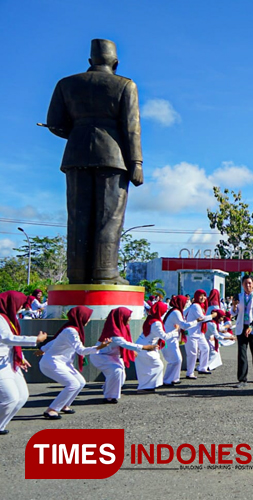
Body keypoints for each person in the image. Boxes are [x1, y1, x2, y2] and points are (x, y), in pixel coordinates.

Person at [46, 39, 143, 285]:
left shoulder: (66, 84)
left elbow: (55, 123)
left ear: (90, 61)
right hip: (113, 157)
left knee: (78, 218)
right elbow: (131, 128)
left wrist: (80, 132)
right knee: (109, 217)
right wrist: (137, 162)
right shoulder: (125, 85)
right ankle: (105, 272)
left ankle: (77, 274)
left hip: (76, 155)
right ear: (116, 63)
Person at [38, 306, 111, 418]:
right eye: (88, 317)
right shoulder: (71, 331)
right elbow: (81, 351)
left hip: (62, 363)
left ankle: (64, 405)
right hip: (52, 363)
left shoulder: (71, 329)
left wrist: (43, 349)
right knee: (73, 384)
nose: (89, 320)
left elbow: (55, 340)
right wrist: (99, 347)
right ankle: (51, 409)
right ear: (82, 317)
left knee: (81, 382)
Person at [0, 291, 46, 434]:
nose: (22, 306)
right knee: (11, 398)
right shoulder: (0, 318)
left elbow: (11, 343)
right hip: (2, 364)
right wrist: (35, 340)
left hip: (10, 361)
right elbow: (6, 338)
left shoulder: (8, 318)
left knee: (22, 396)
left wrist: (21, 357)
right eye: (20, 303)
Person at [89, 307, 157, 403]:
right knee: (116, 372)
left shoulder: (122, 328)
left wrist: (132, 351)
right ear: (121, 317)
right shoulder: (113, 332)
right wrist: (144, 347)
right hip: (101, 357)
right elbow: (124, 343)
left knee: (121, 376)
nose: (130, 318)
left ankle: (108, 390)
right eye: (128, 316)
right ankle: (109, 397)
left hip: (113, 356)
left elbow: (127, 341)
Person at [134, 301, 179, 393]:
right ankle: (146, 386)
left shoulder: (151, 319)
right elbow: (164, 336)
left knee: (146, 368)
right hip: (147, 347)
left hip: (143, 345)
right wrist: (175, 330)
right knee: (158, 365)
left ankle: (146, 386)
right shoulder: (157, 323)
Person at [162, 295, 197, 386]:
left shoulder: (174, 311)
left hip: (171, 340)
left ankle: (174, 378)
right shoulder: (176, 312)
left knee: (176, 360)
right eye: (184, 302)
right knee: (176, 360)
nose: (185, 304)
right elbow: (184, 325)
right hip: (169, 340)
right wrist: (196, 321)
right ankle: (167, 380)